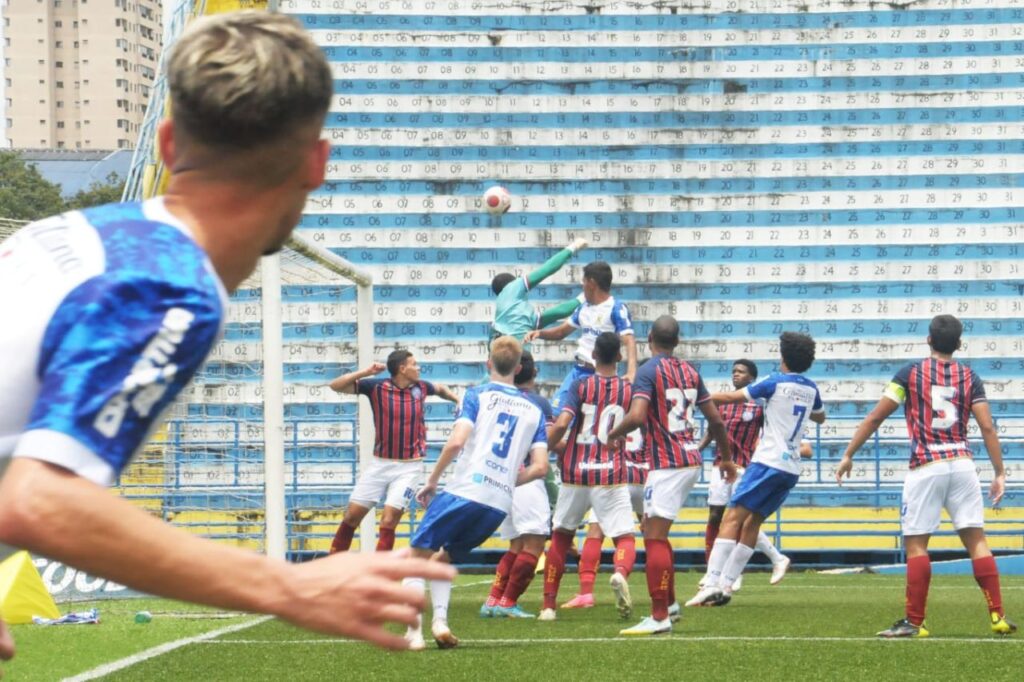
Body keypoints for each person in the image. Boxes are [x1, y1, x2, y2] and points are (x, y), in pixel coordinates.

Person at [0, 11, 454, 663]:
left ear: (164, 143)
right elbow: (39, 502)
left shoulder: (67, 235)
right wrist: (289, 586)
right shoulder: (170, 288)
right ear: (318, 162)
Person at [836, 315, 1016, 638]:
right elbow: (987, 426)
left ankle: (914, 622)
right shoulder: (970, 377)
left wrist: (849, 453)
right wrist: (1000, 472)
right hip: (962, 463)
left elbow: (877, 417)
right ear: (959, 345)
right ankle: (997, 616)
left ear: (928, 340)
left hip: (925, 465)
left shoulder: (909, 374)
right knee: (977, 541)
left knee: (917, 544)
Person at [404, 336, 548, 650]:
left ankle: (414, 633)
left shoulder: (477, 395)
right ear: (519, 367)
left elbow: (456, 442)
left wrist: (432, 480)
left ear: (488, 363)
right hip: (496, 505)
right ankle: (439, 622)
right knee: (444, 559)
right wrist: (508, 481)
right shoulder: (534, 411)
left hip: (465, 490)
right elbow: (540, 467)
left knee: (415, 556)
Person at [606, 316, 734, 636]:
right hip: (689, 459)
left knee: (653, 538)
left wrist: (614, 433)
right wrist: (728, 459)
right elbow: (716, 421)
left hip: (667, 464)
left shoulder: (648, 371)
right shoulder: (690, 371)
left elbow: (636, 416)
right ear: (677, 342)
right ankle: (672, 604)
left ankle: (659, 615)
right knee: (655, 531)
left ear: (649, 338)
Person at [687, 333, 824, 609]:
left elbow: (730, 397)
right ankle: (726, 586)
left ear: (782, 357)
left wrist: (697, 396)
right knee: (753, 522)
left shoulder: (773, 382)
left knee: (732, 517)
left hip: (767, 461)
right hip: (791, 468)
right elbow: (820, 416)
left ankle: (711, 582)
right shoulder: (811, 389)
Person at [541, 332, 638, 622]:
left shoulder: (581, 386)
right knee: (624, 537)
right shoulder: (628, 389)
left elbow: (562, 424)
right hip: (610, 472)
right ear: (618, 357)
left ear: (593, 356)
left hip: (575, 471)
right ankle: (620, 574)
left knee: (561, 537)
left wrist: (544, 447)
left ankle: (548, 606)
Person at [326, 350, 459, 553]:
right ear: (402, 369)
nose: (419, 368)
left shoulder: (421, 388)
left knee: (388, 520)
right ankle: (332, 569)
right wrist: (365, 372)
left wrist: (457, 400)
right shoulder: (376, 387)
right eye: (414, 364)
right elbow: (335, 385)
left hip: (409, 468)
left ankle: (381, 576)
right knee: (351, 517)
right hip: (380, 464)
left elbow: (441, 389)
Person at [696, 359, 791, 588]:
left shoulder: (759, 407)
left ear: (752, 378)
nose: (736, 375)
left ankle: (742, 570)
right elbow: (712, 432)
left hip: (744, 468)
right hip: (720, 466)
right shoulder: (722, 404)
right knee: (715, 517)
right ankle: (713, 572)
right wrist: (696, 450)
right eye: (734, 371)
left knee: (740, 520)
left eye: (741, 372)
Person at [481, 350, 553, 618]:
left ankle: (493, 599)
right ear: (533, 372)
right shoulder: (537, 404)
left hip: (501, 479)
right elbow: (550, 442)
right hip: (527, 478)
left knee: (515, 545)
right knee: (533, 545)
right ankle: (508, 601)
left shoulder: (496, 400)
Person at [524, 261, 637, 408]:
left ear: (591, 283)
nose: (582, 287)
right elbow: (562, 331)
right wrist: (539, 333)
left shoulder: (616, 308)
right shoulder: (584, 308)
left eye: (583, 282)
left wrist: (631, 372)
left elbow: (629, 340)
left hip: (598, 376)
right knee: (556, 412)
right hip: (577, 371)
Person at [490, 238, 588, 343]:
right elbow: (546, 269)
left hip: (501, 356)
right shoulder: (512, 288)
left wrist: (585, 296)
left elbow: (560, 311)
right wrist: (573, 247)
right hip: (522, 356)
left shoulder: (499, 320)